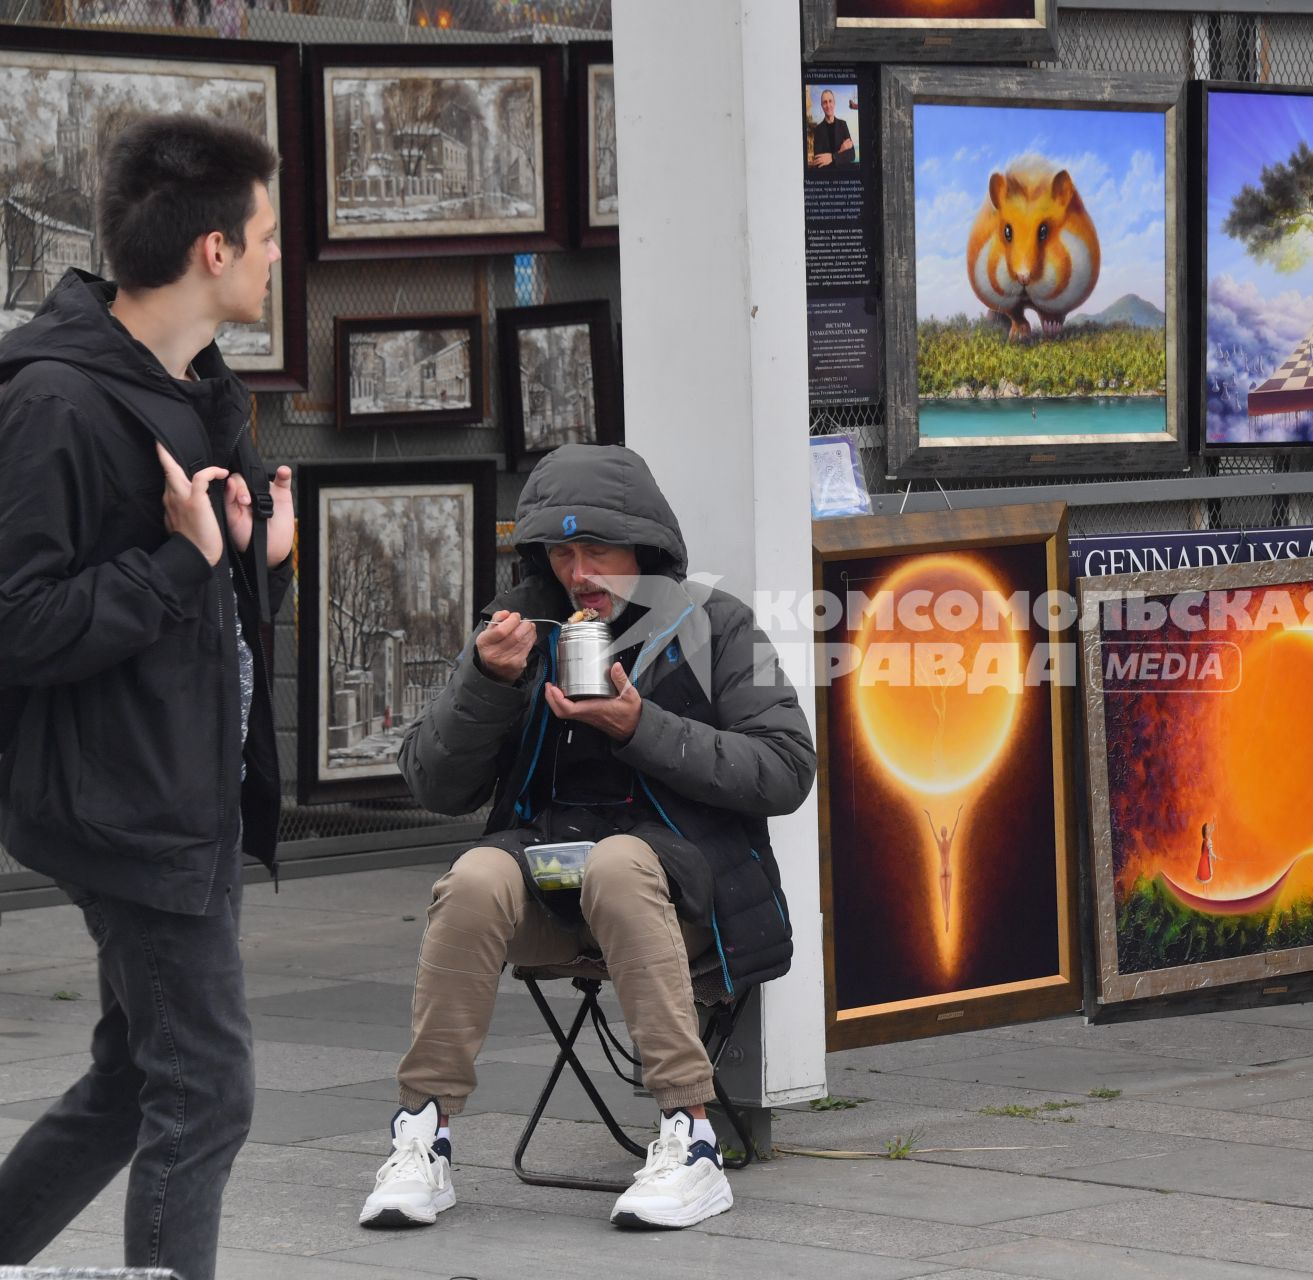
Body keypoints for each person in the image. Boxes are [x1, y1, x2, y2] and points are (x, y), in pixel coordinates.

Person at [358, 443, 815, 1232]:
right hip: (550, 880)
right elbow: (433, 785)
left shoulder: (719, 624)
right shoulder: (518, 629)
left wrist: (642, 726)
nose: (580, 572)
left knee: (618, 863)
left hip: (683, 898)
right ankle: (421, 1134)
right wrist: (487, 683)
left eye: (599, 549)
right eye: (563, 553)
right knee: (472, 876)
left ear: (644, 547)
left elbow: (786, 769)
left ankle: (691, 1134)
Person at [0, 115, 293, 1280]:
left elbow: (189, 595)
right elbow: (20, 622)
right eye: (269, 235)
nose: (281, 257)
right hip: (126, 806)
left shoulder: (186, 385)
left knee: (138, 1077)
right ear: (213, 250)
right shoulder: (59, 404)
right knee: (206, 1089)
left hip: (181, 791)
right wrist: (183, 563)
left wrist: (248, 557)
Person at [807, 89, 856, 170]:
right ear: (822, 106)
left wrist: (831, 157)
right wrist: (841, 151)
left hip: (844, 175)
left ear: (834, 103)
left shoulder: (843, 124)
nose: (828, 105)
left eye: (830, 101)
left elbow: (852, 155)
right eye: (825, 102)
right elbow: (819, 162)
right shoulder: (818, 130)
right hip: (827, 177)